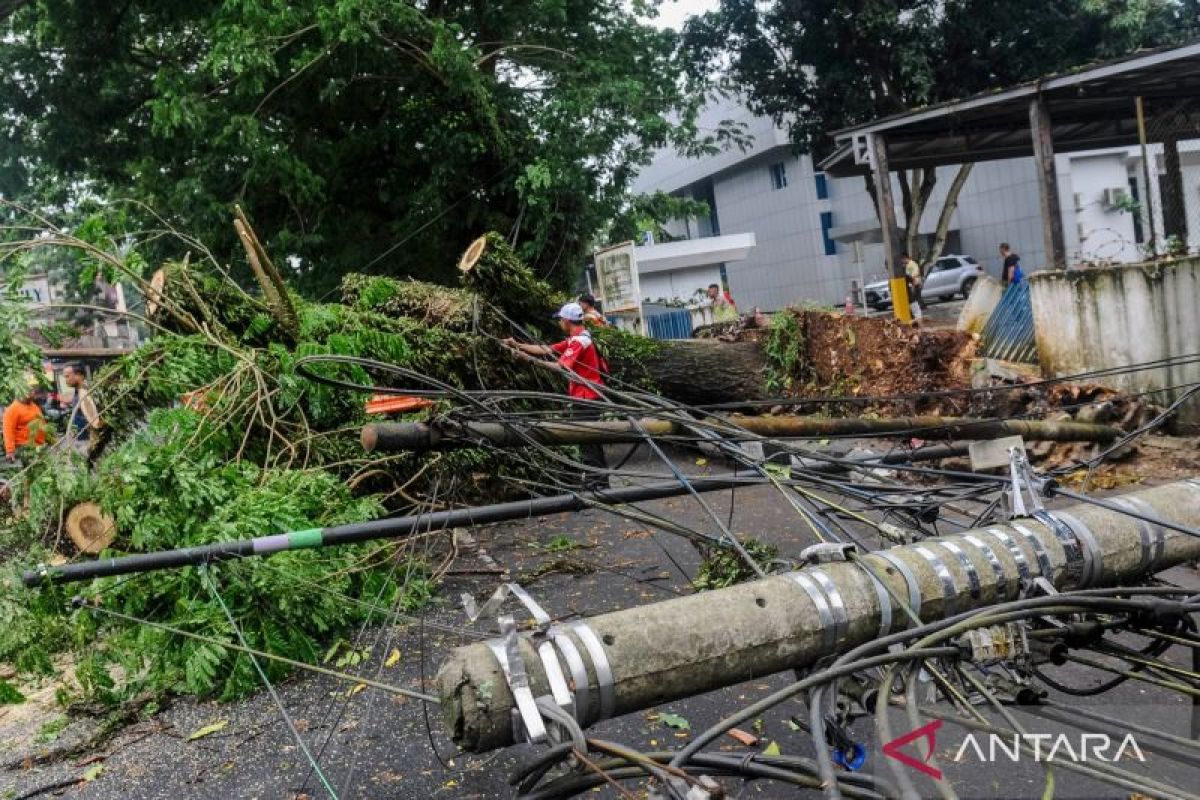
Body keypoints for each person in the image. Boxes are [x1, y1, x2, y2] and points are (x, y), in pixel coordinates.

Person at [503, 303, 608, 489]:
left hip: (587, 397)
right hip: (586, 396)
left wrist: (528, 361)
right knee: (591, 440)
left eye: (560, 319)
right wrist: (518, 345)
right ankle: (600, 481)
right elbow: (546, 349)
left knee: (587, 439)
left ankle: (595, 483)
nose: (559, 322)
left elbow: (560, 367)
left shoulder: (578, 342)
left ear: (567, 321)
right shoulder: (577, 338)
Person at [4, 376, 47, 462]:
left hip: (38, 445)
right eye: (31, 390)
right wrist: (10, 451)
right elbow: (8, 430)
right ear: (23, 391)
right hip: (24, 448)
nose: (34, 392)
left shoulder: (33, 405)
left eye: (33, 390)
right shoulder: (13, 409)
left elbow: (42, 422)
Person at [62, 363, 101, 452]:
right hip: (79, 439)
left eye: (67, 376)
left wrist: (93, 439)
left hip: (87, 441)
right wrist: (74, 432)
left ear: (79, 375)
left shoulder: (85, 393)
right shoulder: (77, 392)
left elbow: (93, 417)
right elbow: (77, 415)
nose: (66, 380)